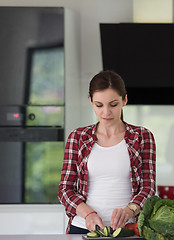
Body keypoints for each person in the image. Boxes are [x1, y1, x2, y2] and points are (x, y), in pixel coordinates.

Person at [58, 70, 156, 234]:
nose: (106, 112)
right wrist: (88, 214)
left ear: (124, 100)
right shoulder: (78, 137)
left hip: (129, 229)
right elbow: (64, 190)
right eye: (99, 105)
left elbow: (148, 188)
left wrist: (129, 211)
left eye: (113, 104)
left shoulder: (142, 137)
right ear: (90, 101)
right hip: (83, 227)